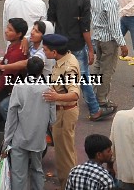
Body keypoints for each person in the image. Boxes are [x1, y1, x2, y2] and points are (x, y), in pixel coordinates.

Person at [47, 0, 99, 121]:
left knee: (57, 75)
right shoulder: (83, 0)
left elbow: (50, 20)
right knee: (83, 77)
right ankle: (94, 109)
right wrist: (91, 49)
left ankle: (56, 106)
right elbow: (85, 29)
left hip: (59, 45)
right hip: (76, 46)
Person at [2, 56, 54, 190]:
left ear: (27, 69)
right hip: (38, 140)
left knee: (19, 174)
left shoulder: (19, 87)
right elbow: (53, 119)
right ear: (42, 71)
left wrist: (6, 142)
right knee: (37, 169)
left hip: (20, 138)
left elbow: (11, 117)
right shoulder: (48, 89)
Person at [42, 33, 82, 184]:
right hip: (60, 112)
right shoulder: (62, 60)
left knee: (64, 154)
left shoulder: (68, 67)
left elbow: (74, 94)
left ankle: (67, 184)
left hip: (65, 113)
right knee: (65, 151)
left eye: (45, 50)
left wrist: (56, 97)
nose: (44, 52)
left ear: (54, 52)